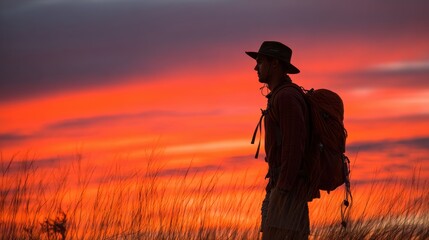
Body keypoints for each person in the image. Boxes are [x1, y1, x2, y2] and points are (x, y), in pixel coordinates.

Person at [246, 41, 319, 240]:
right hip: (282, 188)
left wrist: (283, 190)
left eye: (260, 62)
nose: (255, 67)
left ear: (275, 64)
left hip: (288, 191)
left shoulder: (286, 97)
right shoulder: (280, 96)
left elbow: (294, 146)